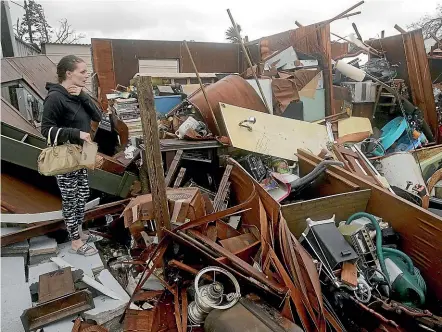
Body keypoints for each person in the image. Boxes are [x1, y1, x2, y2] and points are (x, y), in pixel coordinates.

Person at [41, 55, 102, 256]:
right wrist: (76, 133)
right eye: (82, 72)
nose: (86, 75)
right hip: (67, 154)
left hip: (83, 151)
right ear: (69, 73)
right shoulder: (55, 97)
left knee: (82, 194)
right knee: (70, 198)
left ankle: (80, 233)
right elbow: (46, 130)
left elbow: (98, 116)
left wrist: (83, 95)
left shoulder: (77, 94)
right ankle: (75, 241)